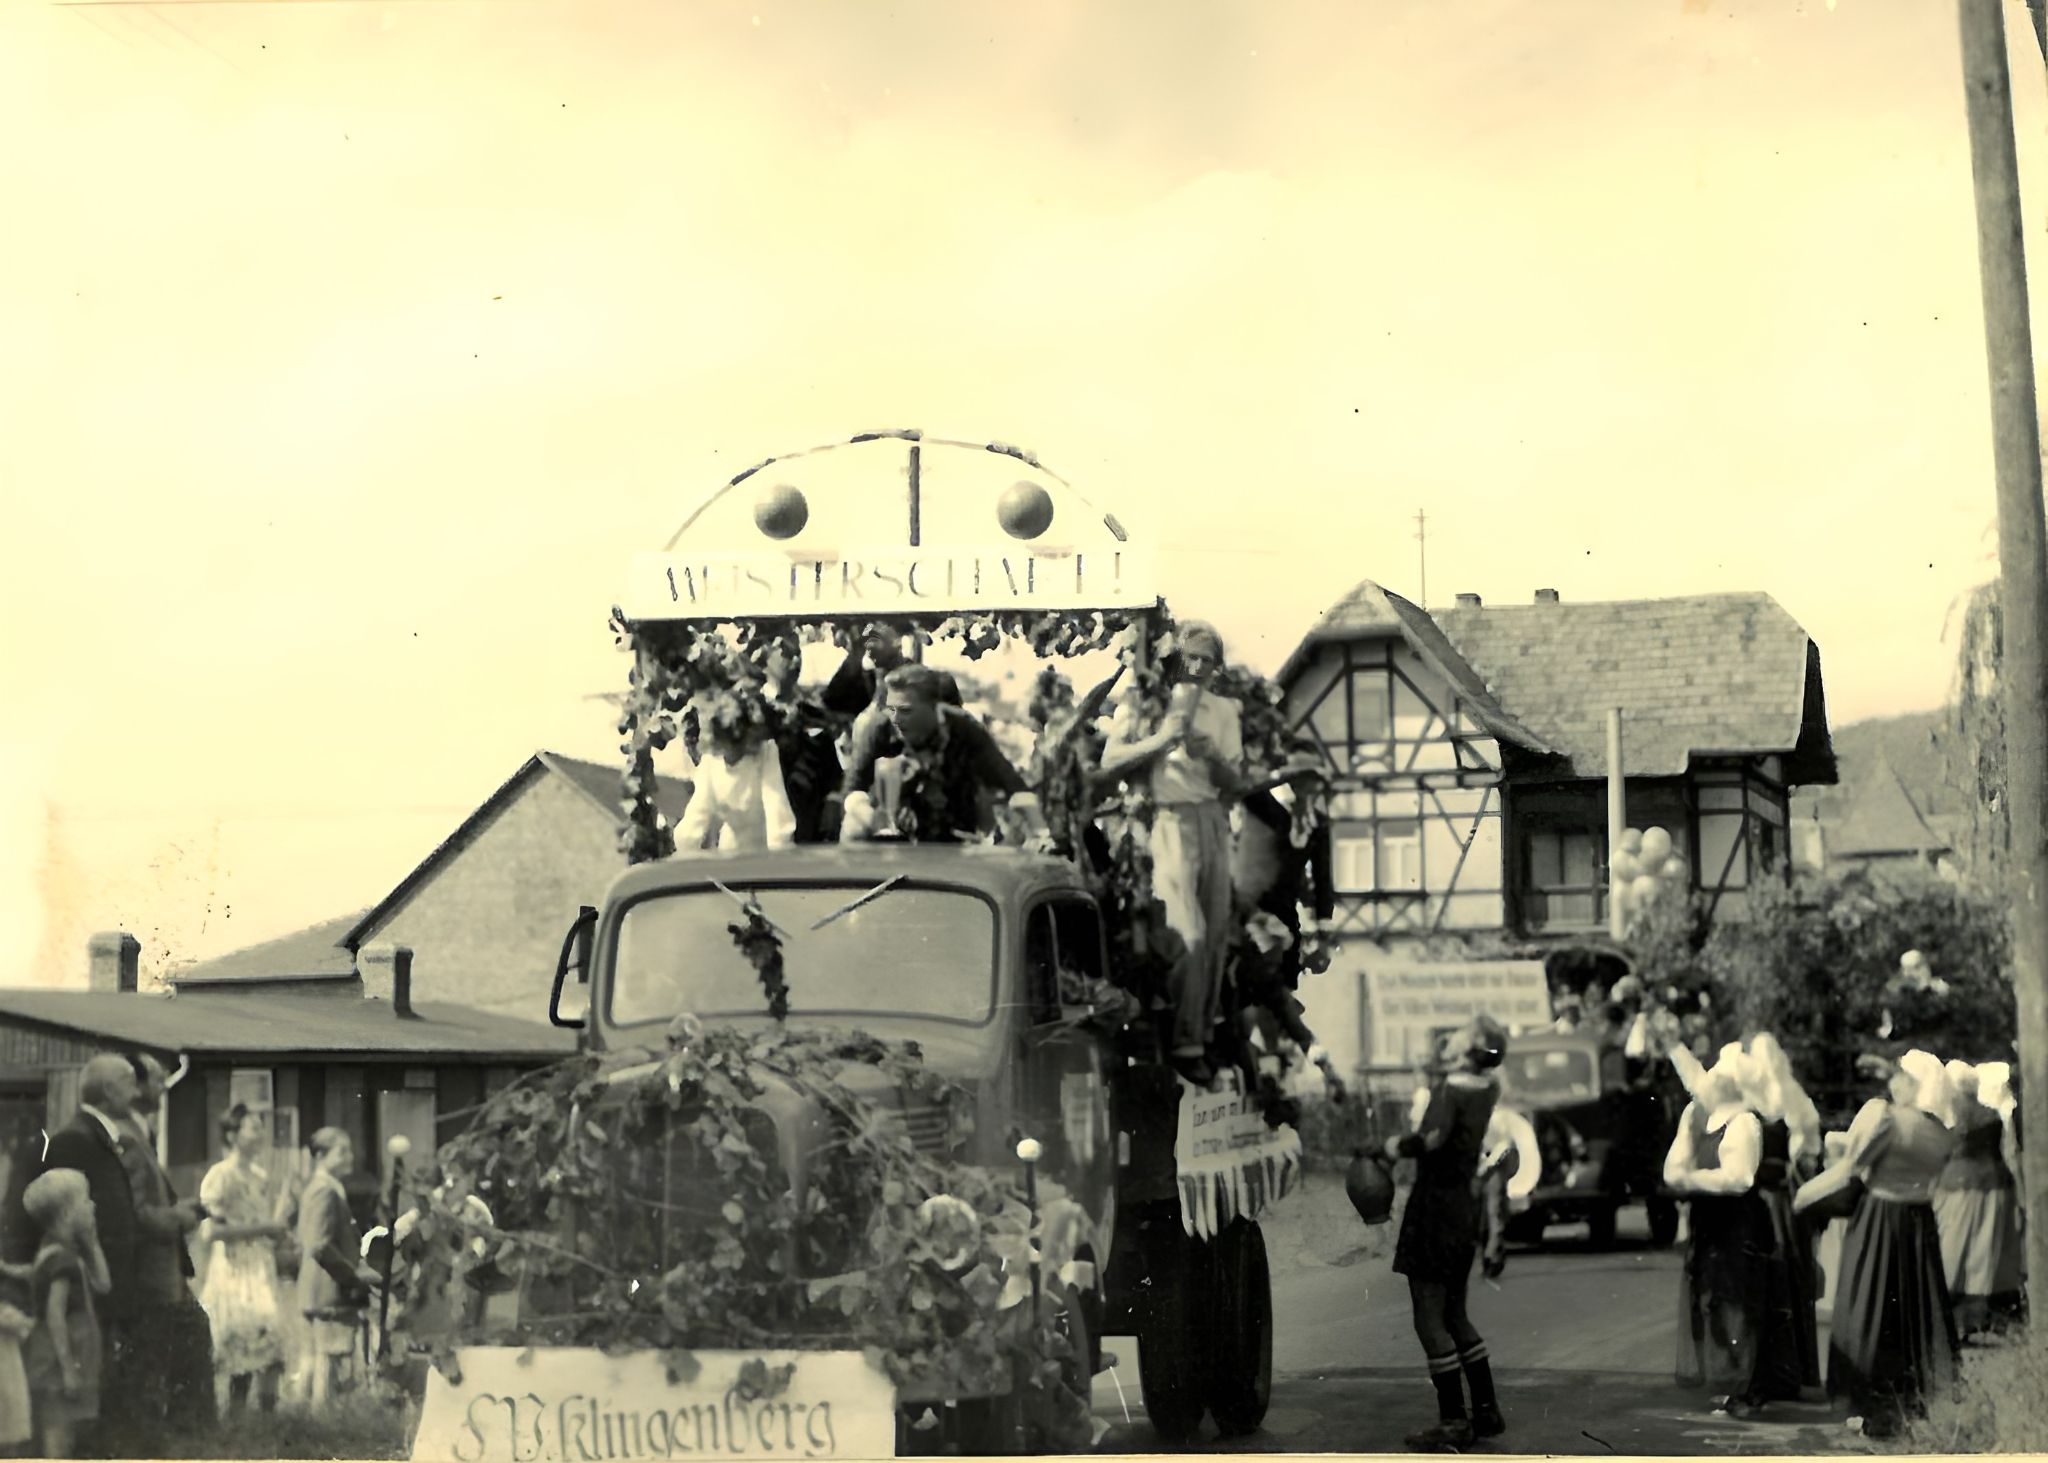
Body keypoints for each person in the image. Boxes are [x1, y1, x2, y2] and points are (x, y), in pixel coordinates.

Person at [1099, 622, 1243, 1084]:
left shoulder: (1223, 710)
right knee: (1190, 937)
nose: (1198, 668)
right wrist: (1162, 741)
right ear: (1175, 657)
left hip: (1212, 820)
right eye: (1192, 657)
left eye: (1208, 660)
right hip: (1166, 818)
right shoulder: (1145, 700)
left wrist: (1211, 758)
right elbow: (1109, 761)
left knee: (1217, 936)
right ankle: (1182, 1040)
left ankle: (1198, 1039)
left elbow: (1236, 783)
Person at [1795, 1049, 1960, 1439]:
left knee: (1867, 1306)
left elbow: (1851, 1167)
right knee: (1912, 1312)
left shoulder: (1885, 1117)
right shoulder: (1940, 1131)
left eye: (1901, 1075)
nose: (1894, 1082)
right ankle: (1908, 1402)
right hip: (1919, 1223)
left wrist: (1804, 1196)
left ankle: (1865, 1400)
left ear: (1914, 1083)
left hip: (1879, 1219)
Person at [1382, 1015, 1509, 1450]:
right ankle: (1487, 1410)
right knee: (1456, 1313)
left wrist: (1390, 1149)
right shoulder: (1488, 1089)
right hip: (1462, 1208)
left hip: (1434, 1208)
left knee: (1429, 1316)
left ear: (1470, 1047)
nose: (1452, 1036)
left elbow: (1431, 1140)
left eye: (1462, 1033)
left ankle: (1454, 1422)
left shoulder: (1451, 1090)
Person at [1662, 1041, 1778, 1416]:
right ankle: (1727, 1381)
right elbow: (1672, 1167)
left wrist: (1690, 1178)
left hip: (1738, 1221)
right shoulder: (1696, 1115)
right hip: (1708, 1217)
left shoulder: (1744, 1122)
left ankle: (1743, 1388)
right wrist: (1684, 1176)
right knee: (1711, 1297)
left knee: (1737, 1299)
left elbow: (1740, 1178)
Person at [111, 1053, 215, 1443]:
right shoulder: (128, 1138)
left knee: (180, 1343)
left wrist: (179, 1209)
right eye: (156, 1078)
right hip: (151, 1270)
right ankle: (176, 1438)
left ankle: (180, 1436)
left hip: (163, 1268)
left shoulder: (141, 1131)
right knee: (163, 1351)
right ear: (135, 1087)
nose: (163, 1085)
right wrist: (179, 1218)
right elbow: (136, 1213)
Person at [840, 664, 1032, 843]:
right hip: (887, 834)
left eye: (906, 711)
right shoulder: (879, 728)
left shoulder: (963, 728)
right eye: (891, 709)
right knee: (854, 824)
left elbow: (1012, 784)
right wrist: (865, 814)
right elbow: (853, 787)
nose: (896, 719)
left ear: (933, 707)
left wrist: (1037, 833)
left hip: (954, 835)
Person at [1743, 1033, 1824, 1398]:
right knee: (1790, 1280)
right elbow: (1809, 1149)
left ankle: (1768, 1375)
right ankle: (1796, 1371)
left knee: (1771, 1280)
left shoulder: (1757, 1096)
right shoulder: (1793, 1095)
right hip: (1784, 1199)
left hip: (1768, 1199)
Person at [199, 1104, 292, 1416]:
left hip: (260, 1265)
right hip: (235, 1268)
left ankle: (269, 1418)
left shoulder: (259, 1176)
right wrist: (264, 1228)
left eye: (260, 1127)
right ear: (232, 1135)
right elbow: (210, 1231)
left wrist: (278, 1233)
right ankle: (236, 1419)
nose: (260, 1134)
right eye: (253, 1127)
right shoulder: (220, 1176)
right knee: (241, 1337)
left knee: (269, 1333)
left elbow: (262, 1221)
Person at [20, 1171, 111, 1459]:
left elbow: (104, 1285)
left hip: (69, 1358)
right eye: (86, 1201)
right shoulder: (61, 1259)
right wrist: (69, 1369)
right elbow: (55, 1317)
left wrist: (92, 1241)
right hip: (57, 1362)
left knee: (67, 1432)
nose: (93, 1206)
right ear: (67, 1213)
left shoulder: (67, 1253)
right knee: (57, 1436)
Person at [1932, 1061, 2024, 1341]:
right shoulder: (1992, 1114)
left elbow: (1942, 1151)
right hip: (1996, 1185)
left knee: (1953, 1251)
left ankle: (1952, 1322)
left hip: (1957, 1187)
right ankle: (1975, 1320)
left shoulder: (1949, 1112)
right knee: (1984, 1255)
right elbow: (2006, 1152)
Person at [295, 1129, 379, 1410]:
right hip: (328, 1287)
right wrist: (351, 1276)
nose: (350, 1157)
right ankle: (321, 1421)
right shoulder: (324, 1190)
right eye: (342, 1151)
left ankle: (303, 1418)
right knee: (328, 1357)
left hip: (321, 1285)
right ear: (320, 1156)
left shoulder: (326, 1187)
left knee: (319, 1357)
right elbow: (319, 1244)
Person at [675, 686, 798, 852]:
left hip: (767, 854)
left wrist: (779, 855)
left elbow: (776, 806)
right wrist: (684, 850)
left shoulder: (765, 753)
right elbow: (697, 814)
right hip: (731, 855)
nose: (724, 753)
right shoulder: (711, 761)